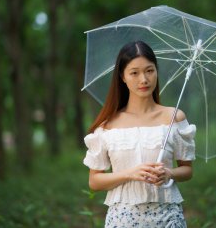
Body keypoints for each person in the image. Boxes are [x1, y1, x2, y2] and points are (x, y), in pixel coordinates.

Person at [83, 41, 196, 227]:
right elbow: (95, 181)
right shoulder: (108, 125)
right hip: (122, 218)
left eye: (149, 71)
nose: (143, 79)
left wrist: (169, 173)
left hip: (168, 217)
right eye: (134, 73)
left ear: (156, 72)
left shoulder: (174, 117)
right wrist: (130, 173)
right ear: (123, 77)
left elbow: (187, 170)